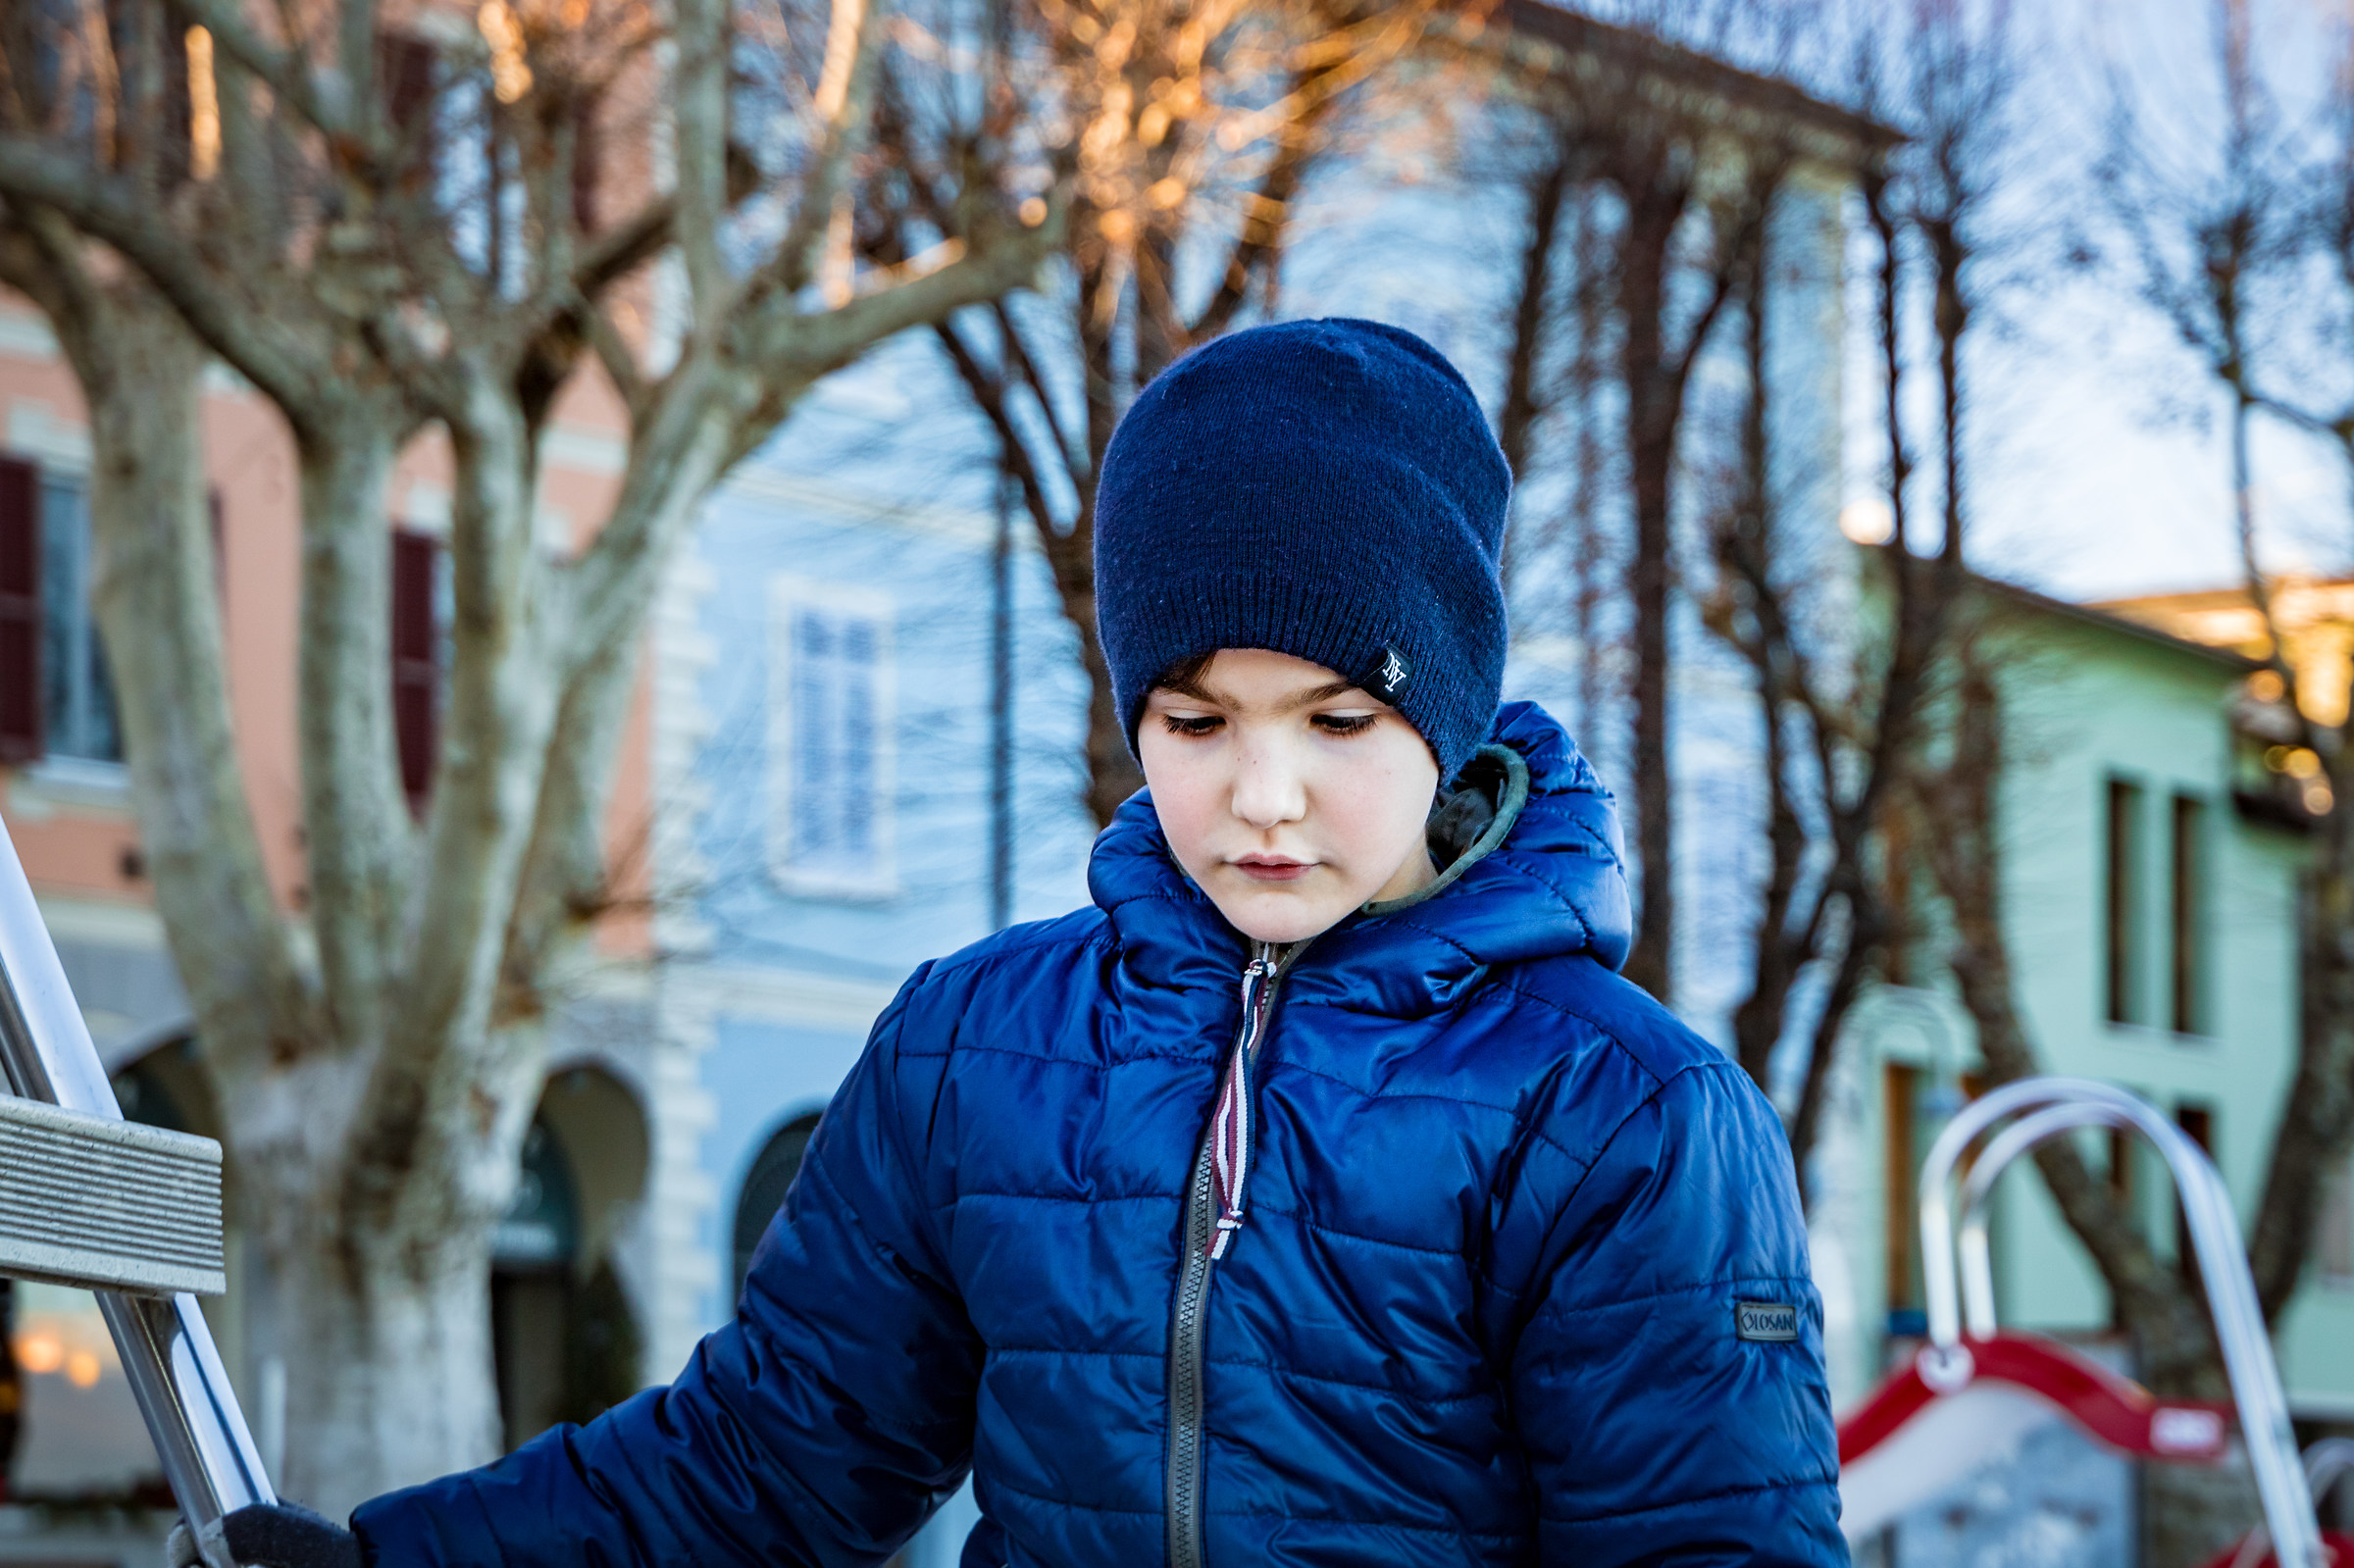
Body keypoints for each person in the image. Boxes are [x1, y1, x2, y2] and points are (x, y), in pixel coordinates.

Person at [194, 318, 1844, 1567]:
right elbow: (771, 1459)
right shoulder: (977, 1049)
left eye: (1340, 717)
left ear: (1453, 713)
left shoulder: (1622, 1113)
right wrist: (389, 1563)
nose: (1263, 797)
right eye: (1195, 720)